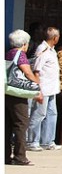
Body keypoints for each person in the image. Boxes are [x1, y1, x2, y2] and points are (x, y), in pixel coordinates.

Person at [6, 29, 43, 165]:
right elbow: (27, 73)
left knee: (7, 124)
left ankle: (5, 155)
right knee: (21, 124)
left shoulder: (8, 53)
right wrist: (37, 88)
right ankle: (20, 156)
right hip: (17, 94)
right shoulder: (20, 55)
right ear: (24, 44)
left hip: (6, 92)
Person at [27, 27, 61, 151]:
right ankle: (32, 141)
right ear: (55, 38)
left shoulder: (52, 50)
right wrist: (38, 89)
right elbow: (37, 70)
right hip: (44, 88)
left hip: (52, 88)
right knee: (39, 114)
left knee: (52, 114)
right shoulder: (43, 50)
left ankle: (48, 141)